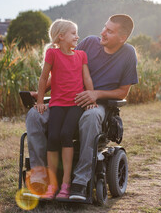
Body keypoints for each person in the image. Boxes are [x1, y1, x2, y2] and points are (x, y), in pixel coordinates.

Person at [26, 14, 138, 201]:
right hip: (65, 100)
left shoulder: (128, 54)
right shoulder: (89, 43)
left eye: (109, 31)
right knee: (34, 116)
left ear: (122, 38)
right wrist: (40, 93)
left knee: (91, 117)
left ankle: (79, 181)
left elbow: (123, 92)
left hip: (97, 104)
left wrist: (96, 94)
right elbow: (64, 67)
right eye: (104, 27)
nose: (102, 32)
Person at [34, 19, 96, 199]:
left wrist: (91, 95)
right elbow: (43, 78)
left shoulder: (81, 55)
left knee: (65, 134)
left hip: (76, 103)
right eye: (73, 33)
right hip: (58, 103)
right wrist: (39, 101)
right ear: (60, 36)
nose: (77, 36)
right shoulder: (52, 54)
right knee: (53, 136)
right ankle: (52, 184)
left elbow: (87, 79)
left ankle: (66, 184)